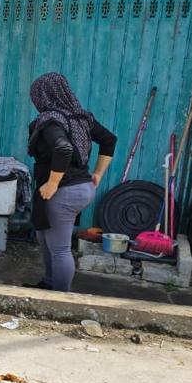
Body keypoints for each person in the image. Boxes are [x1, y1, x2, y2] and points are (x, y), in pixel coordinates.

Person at [27, 72, 116, 293]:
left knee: (60, 249)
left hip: (63, 191)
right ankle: (48, 284)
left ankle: (60, 298)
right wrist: (98, 174)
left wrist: (52, 183)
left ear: (44, 96)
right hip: (80, 187)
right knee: (45, 237)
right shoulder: (81, 118)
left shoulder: (50, 120)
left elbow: (63, 148)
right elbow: (109, 140)